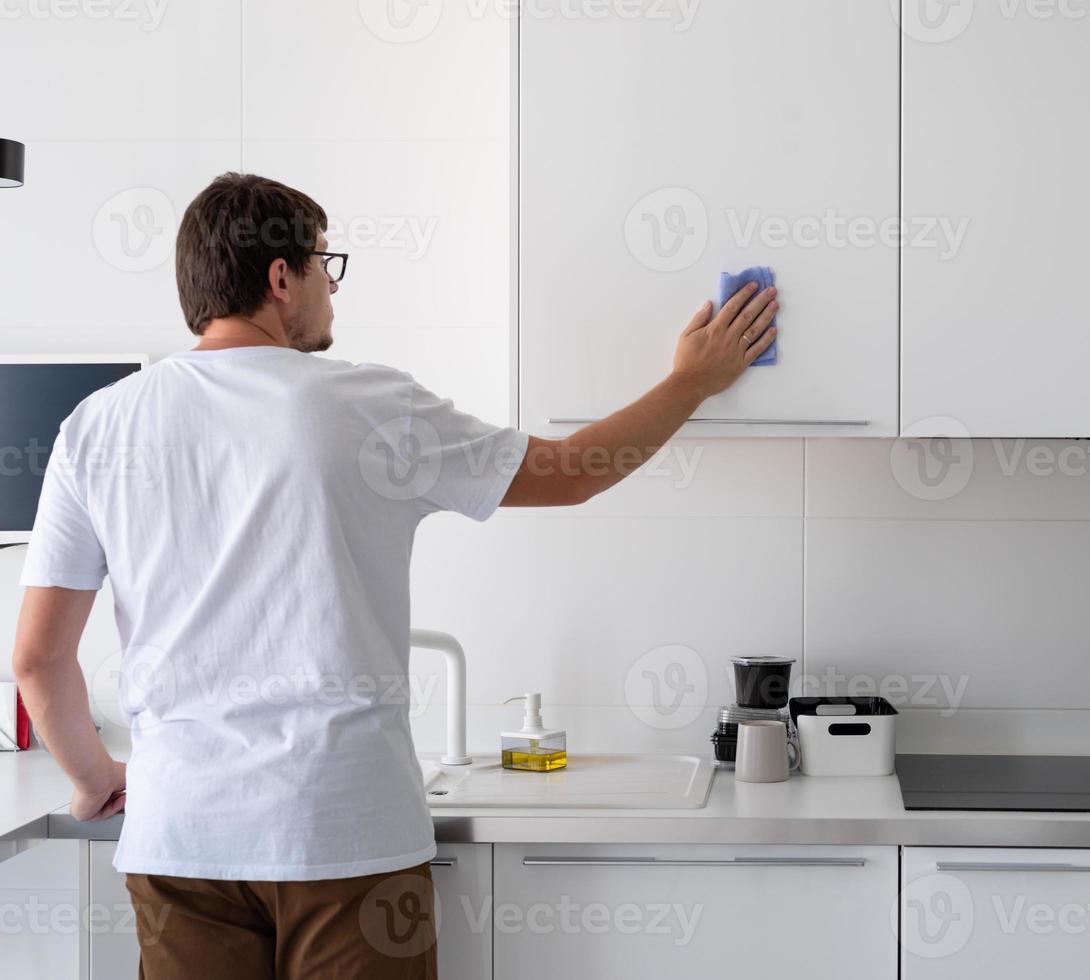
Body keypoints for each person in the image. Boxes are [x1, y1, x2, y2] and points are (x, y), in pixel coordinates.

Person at [10, 172, 777, 978]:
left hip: (181, 841)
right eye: (323, 264)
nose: (330, 291)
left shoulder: (96, 426)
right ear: (280, 279)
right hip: (346, 832)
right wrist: (691, 380)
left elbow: (36, 660)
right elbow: (571, 472)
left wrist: (95, 778)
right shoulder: (365, 404)